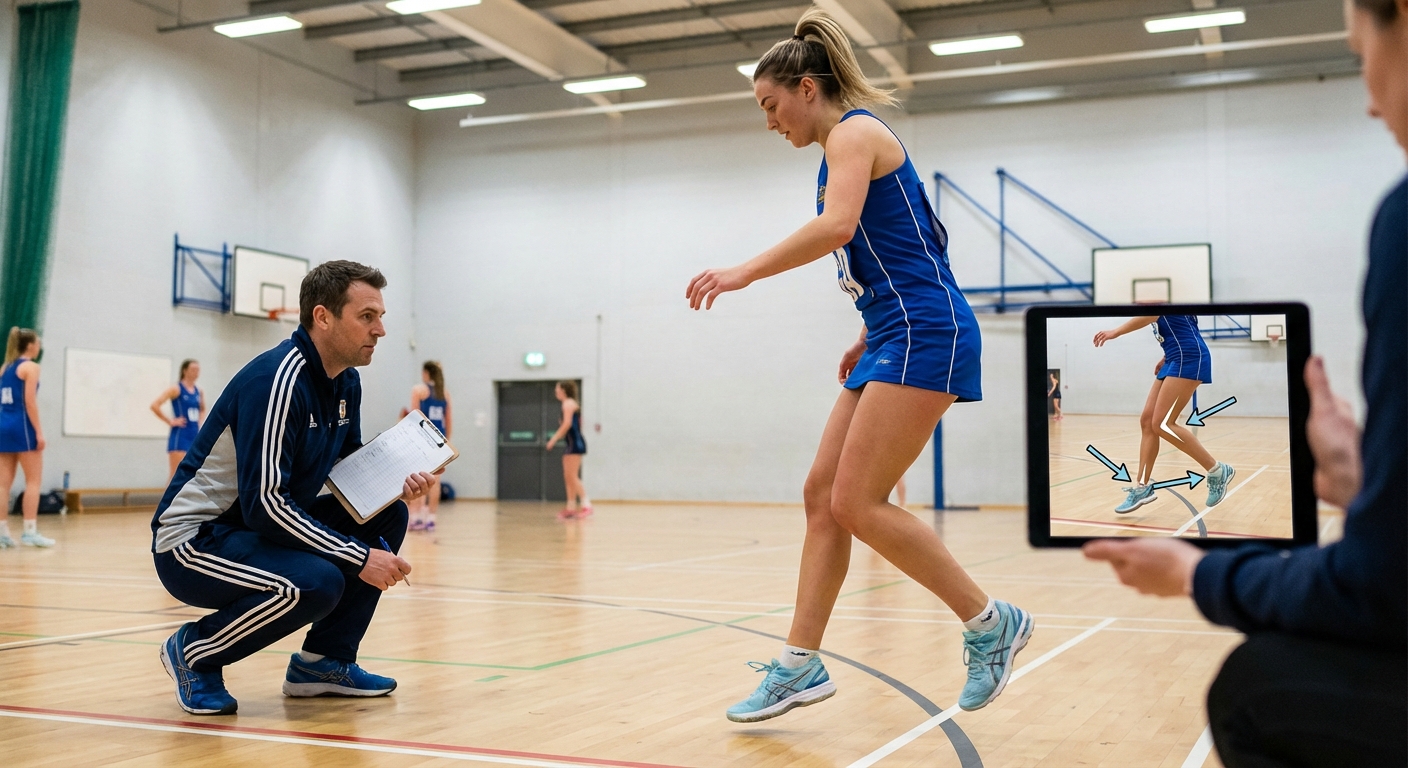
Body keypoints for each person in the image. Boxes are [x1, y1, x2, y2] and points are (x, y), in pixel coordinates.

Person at [686, 9, 1031, 723]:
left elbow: (838, 228)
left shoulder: (854, 133)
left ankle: (989, 623)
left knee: (857, 503)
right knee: (822, 496)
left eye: (771, 105)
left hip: (924, 331)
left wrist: (743, 271)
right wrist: (867, 330)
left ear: (807, 89)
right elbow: (897, 249)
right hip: (892, 330)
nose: (768, 121)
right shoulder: (838, 150)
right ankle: (799, 665)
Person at [1084, 2, 1406, 764]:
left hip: (1193, 363)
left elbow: (1380, 578)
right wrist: (1369, 488)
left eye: (1359, 52)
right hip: (1174, 361)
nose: (1368, 99)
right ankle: (1148, 483)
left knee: (1254, 684)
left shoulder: (1399, 222)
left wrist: (1203, 576)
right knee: (1146, 422)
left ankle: (1212, 468)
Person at [149, 261, 435, 716]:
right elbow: (265, 504)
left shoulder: (346, 381)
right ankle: (194, 652)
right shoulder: (275, 382)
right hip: (195, 542)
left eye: (380, 317)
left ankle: (323, 663)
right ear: (323, 317)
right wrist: (360, 557)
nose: (380, 330)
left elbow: (347, 470)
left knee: (387, 515)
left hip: (255, 530)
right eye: (366, 316)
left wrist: (395, 482)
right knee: (316, 583)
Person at [1092, 315, 1233, 514]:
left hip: (1188, 356)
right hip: (1174, 357)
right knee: (1148, 421)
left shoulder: (1160, 298)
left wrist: (1115, 332)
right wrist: (1166, 356)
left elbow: (1153, 313)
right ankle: (1142, 487)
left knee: (1163, 423)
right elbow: (1184, 327)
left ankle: (1217, 470)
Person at [0, 328, 52, 549]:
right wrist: (38, 431)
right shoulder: (31, 367)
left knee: (3, 484)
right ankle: (30, 532)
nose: (39, 346)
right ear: (30, 345)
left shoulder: (5, 367)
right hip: (22, 426)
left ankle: (2, 533)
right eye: (37, 342)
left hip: (3, 424)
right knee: (33, 481)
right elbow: (29, 401)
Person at [409, 361, 451, 532]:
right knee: (435, 481)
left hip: (423, 439)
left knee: (418, 478)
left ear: (426, 373)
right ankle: (431, 518)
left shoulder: (418, 390)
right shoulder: (444, 393)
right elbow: (448, 421)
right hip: (439, 440)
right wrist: (445, 442)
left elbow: (414, 416)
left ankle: (416, 517)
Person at [151, 359, 205, 481]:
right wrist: (170, 421)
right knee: (176, 476)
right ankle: (168, 495)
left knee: (191, 476)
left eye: (198, 370)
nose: (196, 372)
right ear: (185, 371)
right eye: (193, 369)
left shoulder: (199, 391)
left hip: (194, 435)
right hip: (180, 436)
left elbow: (202, 409)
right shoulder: (176, 389)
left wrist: (199, 421)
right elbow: (155, 405)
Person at [545, 381, 591, 520]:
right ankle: (570, 508)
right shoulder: (569, 404)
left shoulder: (568, 403)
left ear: (563, 390)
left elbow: (567, 424)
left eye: (557, 389)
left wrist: (553, 439)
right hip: (572, 442)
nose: (556, 391)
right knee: (568, 476)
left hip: (575, 443)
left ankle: (587, 505)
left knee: (572, 476)